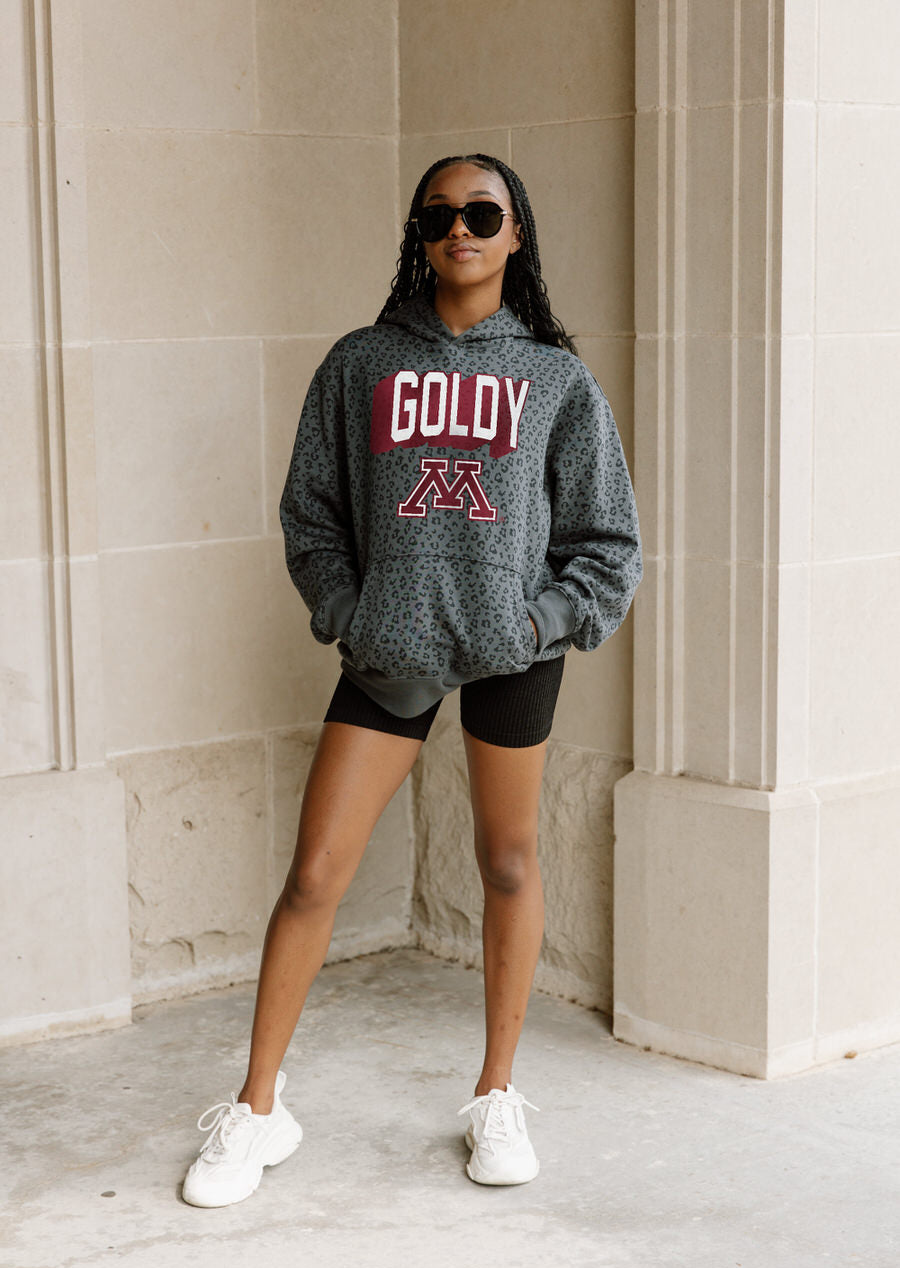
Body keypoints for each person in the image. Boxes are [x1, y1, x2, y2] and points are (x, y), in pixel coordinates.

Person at [181, 153, 642, 1208]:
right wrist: (350, 613)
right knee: (314, 876)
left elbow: (608, 539)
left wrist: (541, 620)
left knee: (508, 862)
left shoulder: (555, 380)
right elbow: (310, 512)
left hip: (512, 651)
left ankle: (496, 1094)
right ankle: (257, 1109)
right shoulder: (362, 364)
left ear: (516, 232)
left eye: (482, 213)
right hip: (389, 652)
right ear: (418, 235)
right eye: (439, 216)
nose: (460, 231)